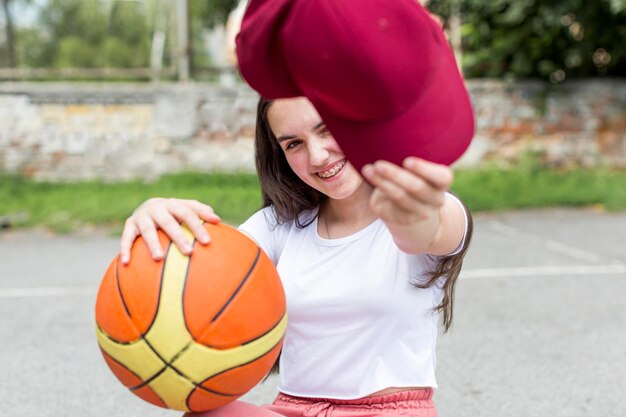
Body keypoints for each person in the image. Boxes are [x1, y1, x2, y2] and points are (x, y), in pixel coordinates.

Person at [119, 95, 473, 417]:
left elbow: (431, 230)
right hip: (294, 409)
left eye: (326, 129)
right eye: (294, 144)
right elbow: (206, 273)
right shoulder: (280, 226)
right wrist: (156, 212)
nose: (317, 156)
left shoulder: (425, 211)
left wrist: (415, 218)